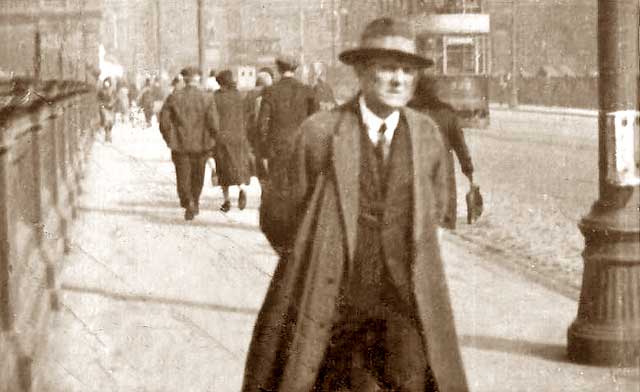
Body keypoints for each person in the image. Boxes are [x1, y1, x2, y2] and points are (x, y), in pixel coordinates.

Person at [242, 17, 468, 392]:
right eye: (387, 68)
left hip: (404, 304)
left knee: (415, 379)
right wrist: (314, 254)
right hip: (334, 303)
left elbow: (440, 210)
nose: (398, 79)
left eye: (407, 70)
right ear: (362, 72)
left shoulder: (426, 136)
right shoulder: (320, 133)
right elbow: (278, 216)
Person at [410, 74, 474, 229]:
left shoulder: (408, 111)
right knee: (443, 209)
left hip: (415, 167)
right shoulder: (447, 112)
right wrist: (468, 168)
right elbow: (459, 144)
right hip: (443, 167)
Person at [158, 66, 219, 221]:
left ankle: (188, 201)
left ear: (184, 79)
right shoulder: (207, 98)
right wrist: (213, 140)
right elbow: (214, 124)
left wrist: (169, 138)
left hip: (180, 144)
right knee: (198, 176)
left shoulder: (174, 97)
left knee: (183, 176)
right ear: (197, 78)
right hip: (202, 145)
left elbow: (164, 122)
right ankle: (195, 201)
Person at [257, 54, 318, 190]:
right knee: (299, 186)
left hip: (276, 147)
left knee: (278, 188)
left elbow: (262, 124)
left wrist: (263, 150)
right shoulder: (307, 91)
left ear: (278, 69)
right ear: (295, 69)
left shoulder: (270, 91)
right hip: (301, 146)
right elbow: (316, 121)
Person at [212, 70, 253, 212]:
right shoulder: (239, 96)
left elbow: (212, 118)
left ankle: (226, 201)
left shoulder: (216, 97)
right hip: (239, 136)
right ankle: (242, 188)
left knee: (223, 169)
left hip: (222, 137)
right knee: (237, 165)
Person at [243, 70, 273, 180]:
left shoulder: (250, 93)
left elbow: (245, 111)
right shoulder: (270, 91)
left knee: (256, 152)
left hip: (252, 127)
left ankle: (256, 172)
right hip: (266, 127)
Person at [97, 77, 116, 142]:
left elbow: (114, 99)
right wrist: (102, 105)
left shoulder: (112, 90)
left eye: (108, 82)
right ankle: (107, 136)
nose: (106, 84)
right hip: (104, 108)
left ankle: (109, 135)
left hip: (111, 108)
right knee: (106, 122)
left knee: (110, 123)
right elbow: (98, 99)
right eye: (106, 82)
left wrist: (112, 103)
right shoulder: (101, 91)